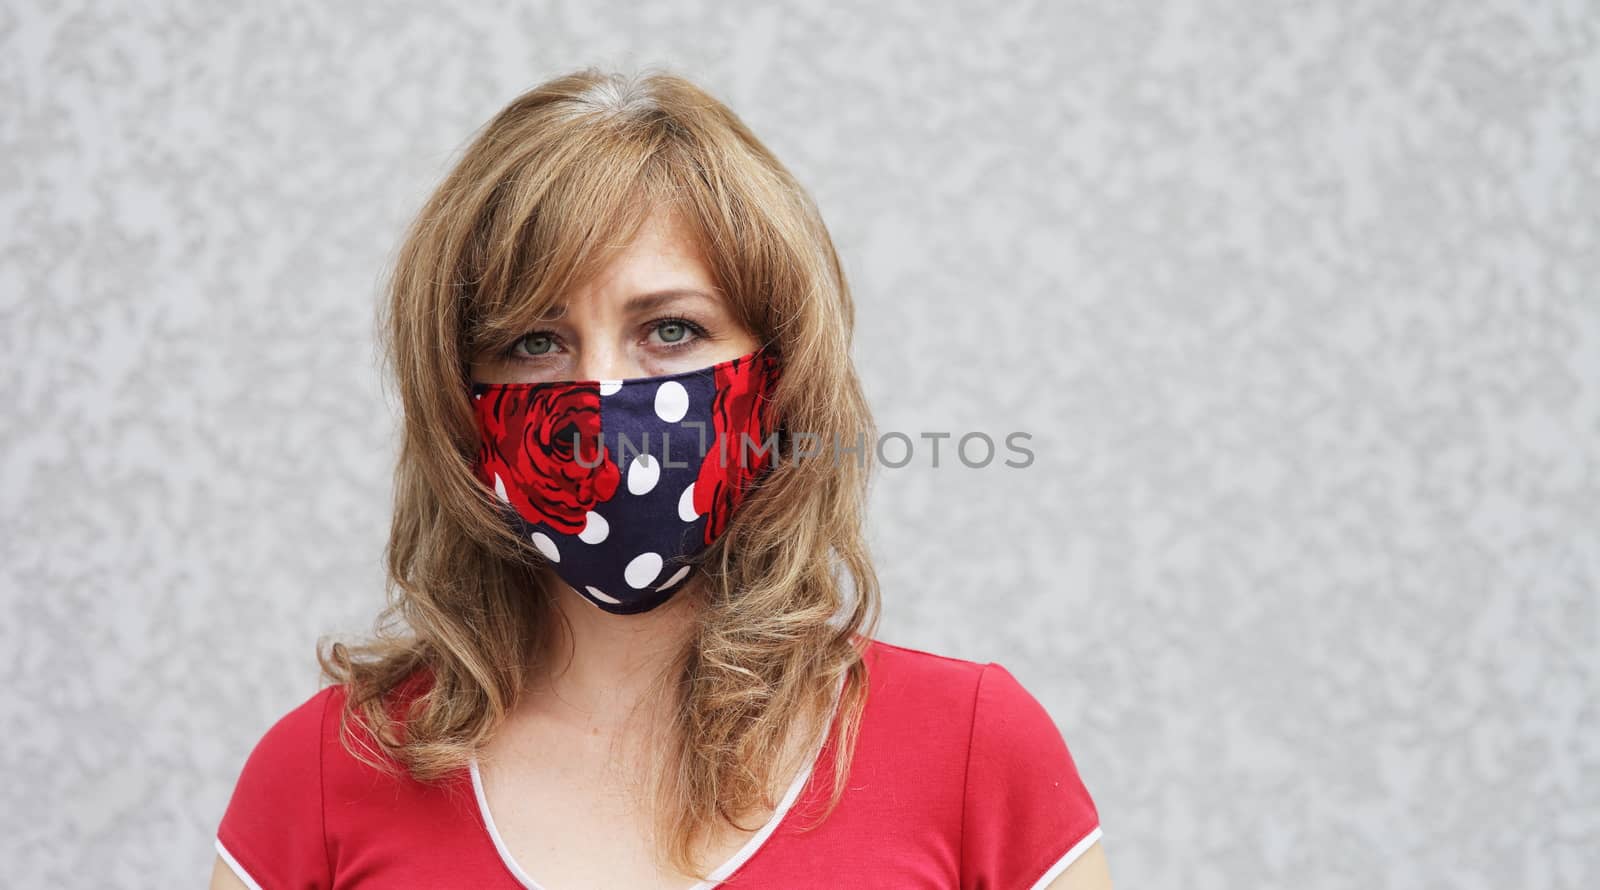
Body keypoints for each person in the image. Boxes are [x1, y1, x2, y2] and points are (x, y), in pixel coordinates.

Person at [208, 66, 1113, 890]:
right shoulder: (322, 779)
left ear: (782, 375)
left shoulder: (972, 756)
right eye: (535, 341)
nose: (600, 398)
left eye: (671, 330)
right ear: (458, 401)